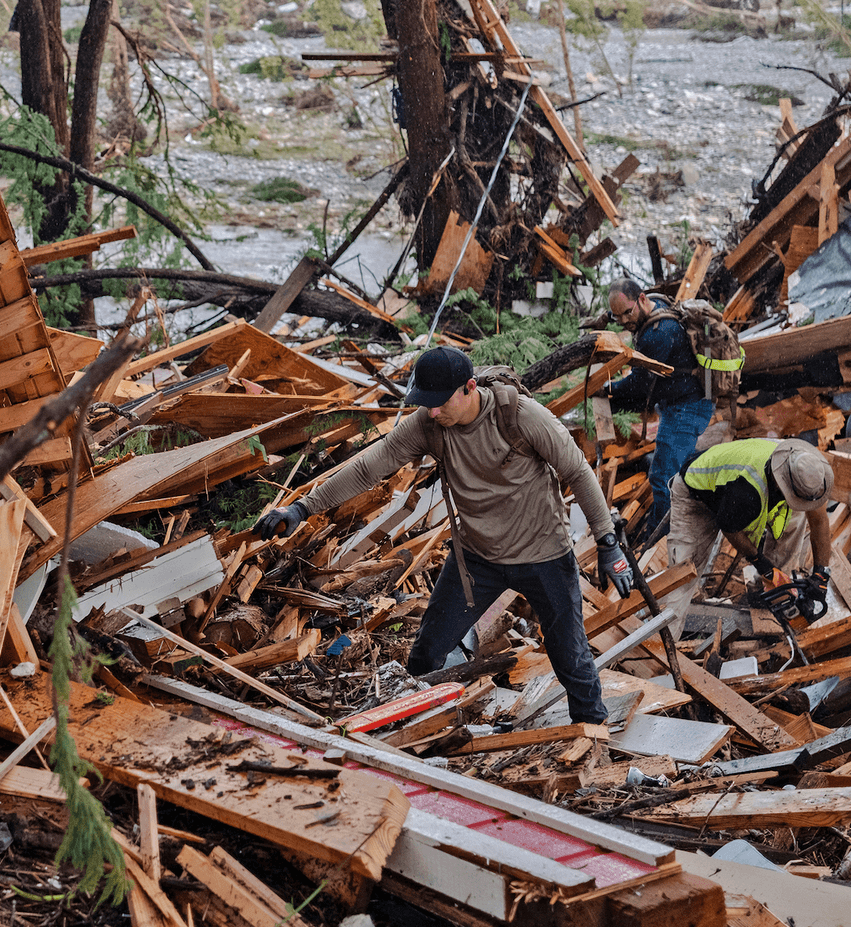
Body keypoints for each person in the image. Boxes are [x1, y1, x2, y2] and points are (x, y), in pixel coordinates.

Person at [255, 346, 624, 725]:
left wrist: (608, 542)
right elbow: (369, 468)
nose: (432, 412)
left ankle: (592, 732)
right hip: (477, 559)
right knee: (427, 654)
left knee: (570, 655)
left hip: (544, 555)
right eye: (426, 403)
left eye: (441, 402)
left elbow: (578, 472)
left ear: (470, 388)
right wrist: (301, 509)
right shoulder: (429, 424)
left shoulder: (519, 416)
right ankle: (422, 732)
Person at [660, 437, 833, 638]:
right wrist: (761, 563)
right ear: (783, 485)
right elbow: (729, 527)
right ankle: (663, 643)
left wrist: (821, 574)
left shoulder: (810, 474)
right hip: (697, 494)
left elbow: (819, 522)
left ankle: (774, 597)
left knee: (794, 520)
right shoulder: (746, 492)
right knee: (684, 574)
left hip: (741, 492)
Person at [605, 279, 715, 540]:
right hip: (684, 401)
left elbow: (638, 387)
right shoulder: (656, 305)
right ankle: (694, 516)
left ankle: (658, 541)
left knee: (663, 478)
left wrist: (607, 389)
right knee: (676, 469)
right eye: (617, 316)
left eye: (627, 313)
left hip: (687, 409)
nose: (623, 321)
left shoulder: (659, 334)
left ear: (642, 298)